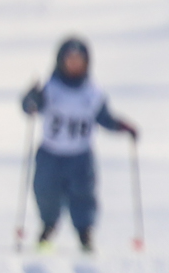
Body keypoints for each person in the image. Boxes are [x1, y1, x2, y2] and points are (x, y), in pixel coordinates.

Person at [21, 37, 138, 254]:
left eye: (79, 60)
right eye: (70, 59)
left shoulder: (92, 93)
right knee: (46, 193)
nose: (74, 64)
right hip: (51, 153)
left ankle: (85, 234)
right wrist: (31, 99)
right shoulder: (50, 88)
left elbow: (104, 118)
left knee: (83, 194)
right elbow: (29, 107)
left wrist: (123, 127)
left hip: (80, 155)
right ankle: (48, 228)